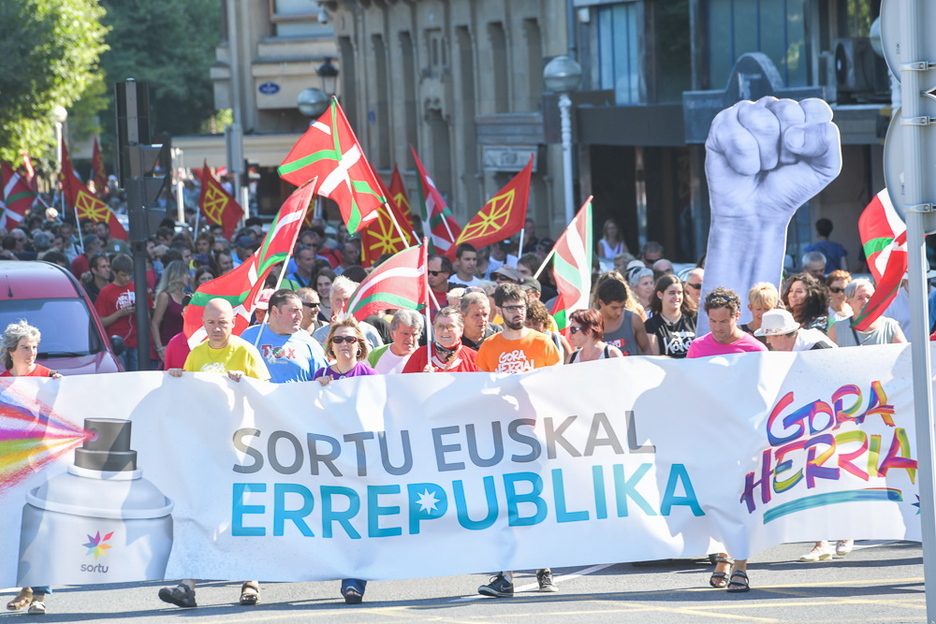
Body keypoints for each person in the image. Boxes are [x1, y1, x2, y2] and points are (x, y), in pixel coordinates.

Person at [160, 298, 270, 609]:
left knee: (241, 515)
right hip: (206, 449)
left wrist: (246, 383)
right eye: (211, 322)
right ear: (203, 324)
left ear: (233, 324)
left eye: (222, 322)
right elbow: (189, 399)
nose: (217, 328)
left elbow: (269, 394)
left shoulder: (245, 351)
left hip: (241, 449)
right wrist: (179, 380)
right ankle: (187, 585)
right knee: (196, 514)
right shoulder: (196, 355)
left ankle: (251, 581)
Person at [475, 283, 559, 597]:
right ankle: (505, 576)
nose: (516, 312)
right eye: (510, 307)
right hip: (501, 437)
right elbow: (478, 392)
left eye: (520, 306)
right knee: (505, 506)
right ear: (500, 310)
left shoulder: (543, 342)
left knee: (537, 502)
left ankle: (543, 568)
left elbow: (558, 388)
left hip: (536, 435)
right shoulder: (489, 347)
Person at [687, 287, 767, 593]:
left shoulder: (754, 349)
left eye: (724, 321)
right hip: (708, 437)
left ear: (737, 316)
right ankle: (721, 557)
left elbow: (763, 396)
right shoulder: (697, 347)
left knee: (741, 501)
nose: (718, 328)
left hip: (743, 438)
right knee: (715, 501)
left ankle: (740, 565)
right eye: (713, 322)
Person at [753, 309, 847, 560]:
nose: (767, 343)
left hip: (832, 419)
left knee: (834, 475)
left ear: (784, 335)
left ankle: (846, 530)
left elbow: (841, 379)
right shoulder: (782, 353)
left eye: (770, 338)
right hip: (802, 421)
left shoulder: (818, 346)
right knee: (808, 477)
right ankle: (821, 542)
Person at [311, 318, 375, 604]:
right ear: (331, 346)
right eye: (339, 340)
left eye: (350, 339)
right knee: (336, 520)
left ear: (359, 344)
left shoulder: (371, 375)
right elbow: (305, 416)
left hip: (362, 459)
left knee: (359, 519)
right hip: (330, 462)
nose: (345, 344)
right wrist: (318, 392)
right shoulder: (320, 375)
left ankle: (353, 579)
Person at [2, 320, 59, 615]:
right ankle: (24, 588)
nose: (31, 353)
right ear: (11, 351)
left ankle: (40, 594)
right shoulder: (1, 382)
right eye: (25, 348)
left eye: (35, 348)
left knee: (40, 528)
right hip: (10, 470)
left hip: (41, 466)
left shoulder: (50, 378)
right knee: (15, 527)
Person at [241, 289, 328, 383]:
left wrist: (323, 380)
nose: (300, 316)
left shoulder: (309, 342)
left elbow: (325, 377)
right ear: (275, 311)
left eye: (301, 311)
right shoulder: (250, 336)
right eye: (294, 311)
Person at [95, 253, 149, 371]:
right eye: (123, 275)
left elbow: (149, 314)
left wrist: (139, 311)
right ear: (114, 273)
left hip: (137, 341)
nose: (127, 278)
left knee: (137, 376)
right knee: (121, 375)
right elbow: (100, 322)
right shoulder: (106, 292)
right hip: (117, 343)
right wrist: (120, 313)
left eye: (130, 274)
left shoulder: (138, 287)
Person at [311, 276, 384, 351]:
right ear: (331, 303)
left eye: (346, 300)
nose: (342, 305)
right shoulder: (319, 335)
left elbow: (380, 360)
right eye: (338, 300)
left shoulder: (369, 331)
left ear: (355, 303)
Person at [828, 278, 907, 347]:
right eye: (860, 298)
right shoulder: (837, 329)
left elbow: (904, 357)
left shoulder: (890, 327)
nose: (866, 301)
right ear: (849, 302)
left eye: (869, 297)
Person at [403, 307, 479, 373]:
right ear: (434, 328)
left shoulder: (474, 358)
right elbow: (404, 386)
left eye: (450, 326)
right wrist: (422, 379)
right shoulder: (420, 354)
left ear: (461, 330)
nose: (445, 331)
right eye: (440, 326)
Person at [594, 278, 651, 356]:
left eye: (622, 307)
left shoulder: (634, 320)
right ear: (601, 302)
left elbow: (646, 349)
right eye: (614, 308)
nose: (619, 312)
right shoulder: (591, 323)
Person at [644, 274, 696, 357]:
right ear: (660, 295)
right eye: (672, 293)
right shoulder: (651, 325)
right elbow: (655, 360)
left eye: (679, 293)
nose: (676, 297)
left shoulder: (694, 319)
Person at [151, 260, 190, 365]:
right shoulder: (165, 296)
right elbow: (155, 323)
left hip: (187, 346)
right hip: (169, 345)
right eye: (186, 274)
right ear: (178, 275)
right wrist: (159, 349)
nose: (189, 277)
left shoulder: (188, 296)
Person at [367, 309, 423, 374]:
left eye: (414, 334)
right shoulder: (376, 355)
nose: (410, 339)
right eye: (405, 334)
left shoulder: (424, 357)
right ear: (392, 334)